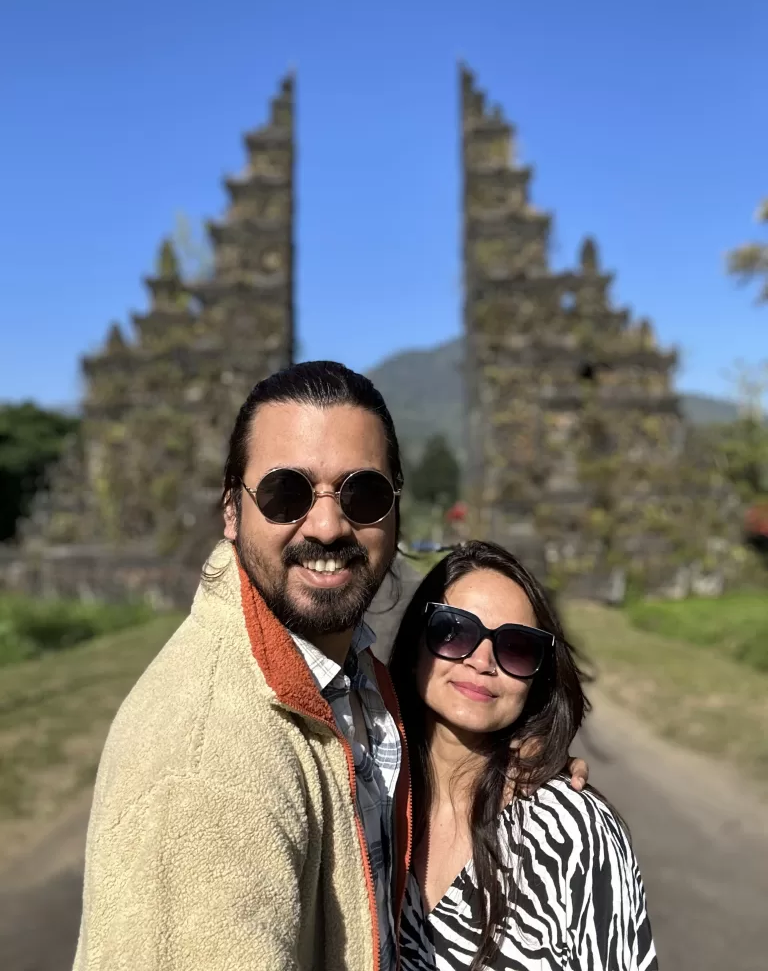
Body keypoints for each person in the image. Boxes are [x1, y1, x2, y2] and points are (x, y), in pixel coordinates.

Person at [73, 361, 590, 971]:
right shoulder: (206, 767)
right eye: (285, 493)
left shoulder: (341, 676)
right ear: (232, 511)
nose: (326, 525)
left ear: (395, 511)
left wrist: (487, 761)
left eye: (362, 494)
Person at [389, 540, 657, 971]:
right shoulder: (363, 796)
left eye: (515, 647)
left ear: (538, 677)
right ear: (416, 642)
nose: (482, 661)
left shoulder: (574, 833)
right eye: (454, 630)